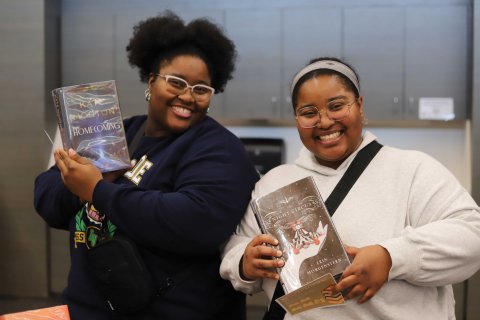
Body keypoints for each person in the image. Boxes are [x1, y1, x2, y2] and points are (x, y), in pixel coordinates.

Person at [34, 11, 259, 320]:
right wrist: (76, 185)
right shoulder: (117, 132)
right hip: (86, 309)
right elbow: (46, 200)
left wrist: (98, 189)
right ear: (151, 81)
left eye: (201, 89)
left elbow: (196, 222)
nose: (187, 96)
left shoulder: (219, 149)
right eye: (176, 82)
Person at [220, 57, 480, 319]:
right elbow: (236, 247)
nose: (324, 122)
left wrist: (391, 258)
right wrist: (245, 262)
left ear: (360, 105)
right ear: (297, 118)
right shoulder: (273, 183)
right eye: (309, 112)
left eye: (336, 106)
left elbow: (472, 235)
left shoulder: (413, 169)